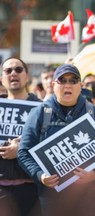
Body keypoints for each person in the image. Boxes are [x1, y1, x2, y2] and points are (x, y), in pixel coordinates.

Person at [17, 64, 95, 216]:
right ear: (54, 85)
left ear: (80, 86)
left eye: (73, 80)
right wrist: (40, 175)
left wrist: (94, 174)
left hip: (86, 200)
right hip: (50, 201)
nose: (68, 85)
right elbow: (23, 152)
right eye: (62, 80)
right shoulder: (39, 113)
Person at [0, 57, 41, 216]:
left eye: (18, 70)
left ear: (27, 75)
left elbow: (49, 144)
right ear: (2, 79)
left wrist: (22, 150)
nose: (13, 74)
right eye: (8, 71)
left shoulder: (42, 108)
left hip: (31, 188)